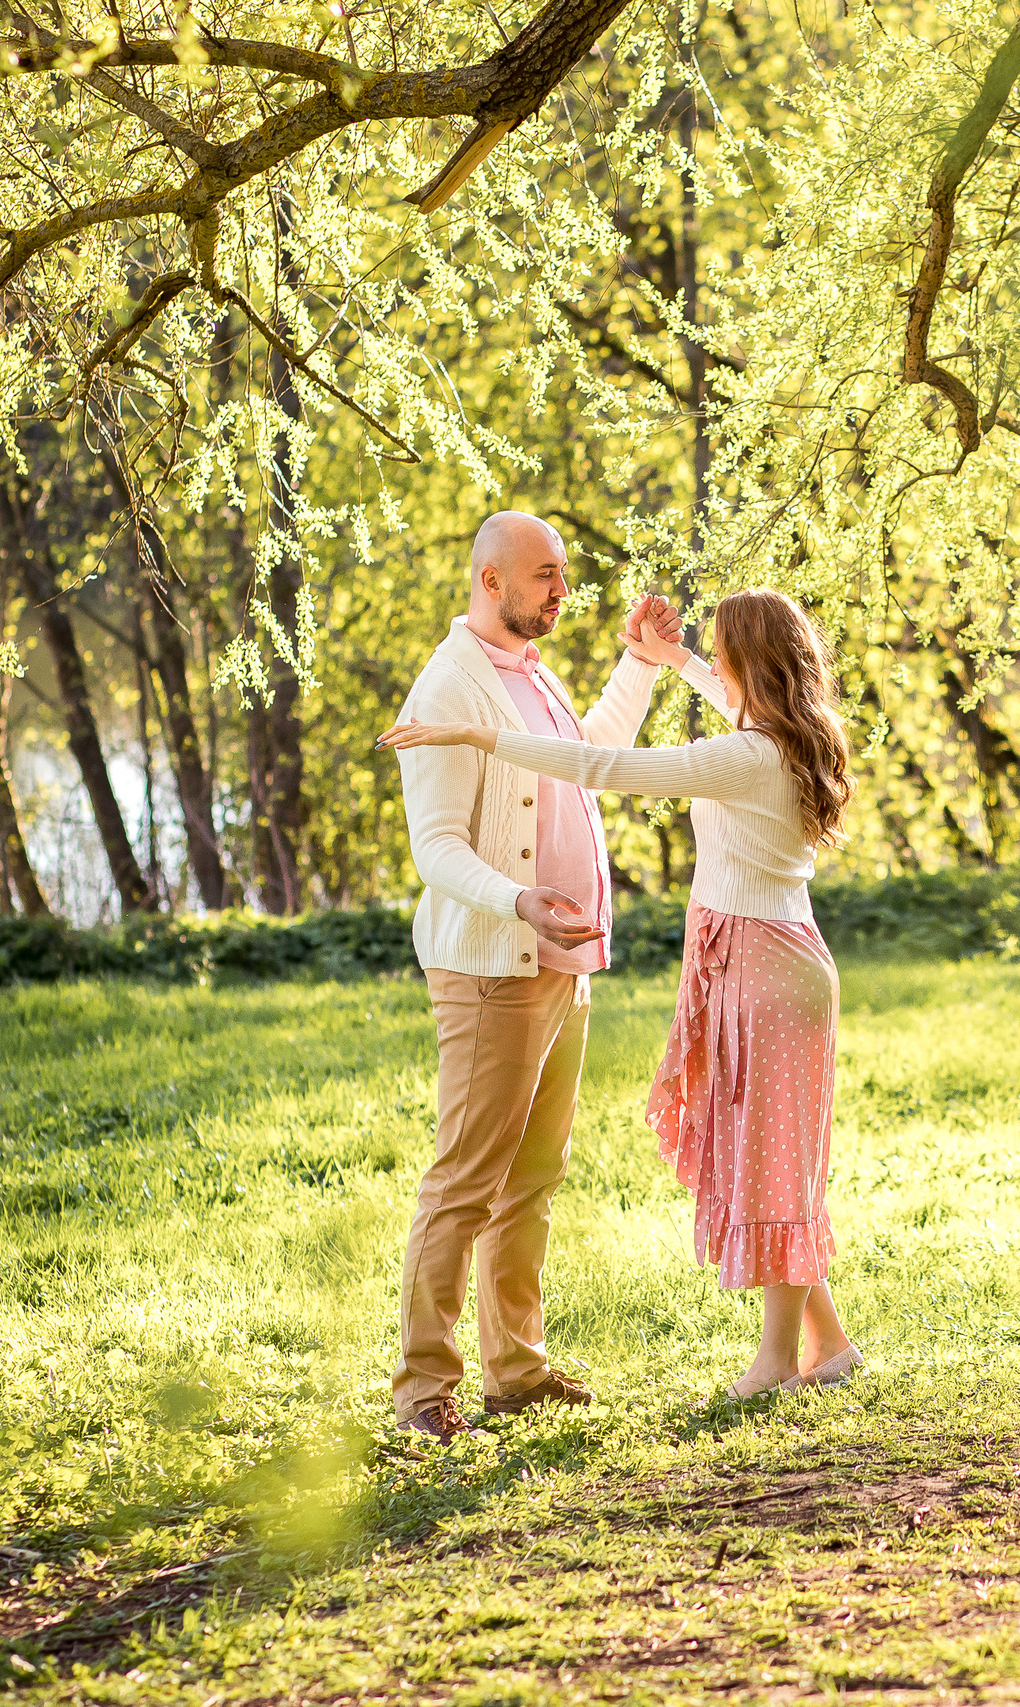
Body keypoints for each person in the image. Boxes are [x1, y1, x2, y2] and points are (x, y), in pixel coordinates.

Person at [381, 587, 862, 1401]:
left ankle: (780, 1359)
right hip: (769, 960)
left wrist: (478, 735)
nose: (716, 669)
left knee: (771, 1168)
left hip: (765, 971)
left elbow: (604, 767)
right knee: (765, 1158)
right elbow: (728, 695)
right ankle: (832, 1343)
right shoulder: (788, 730)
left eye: (722, 656)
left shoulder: (745, 755)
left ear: (750, 666)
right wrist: (672, 660)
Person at [388, 510, 687, 1441]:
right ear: (492, 580)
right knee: (466, 1181)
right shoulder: (450, 686)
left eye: (562, 571)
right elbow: (436, 847)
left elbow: (587, 761)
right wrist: (518, 900)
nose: (563, 589)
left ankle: (515, 1372)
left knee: (532, 1179)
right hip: (494, 969)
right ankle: (423, 1391)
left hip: (562, 965)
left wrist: (640, 663)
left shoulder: (530, 670)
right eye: (545, 574)